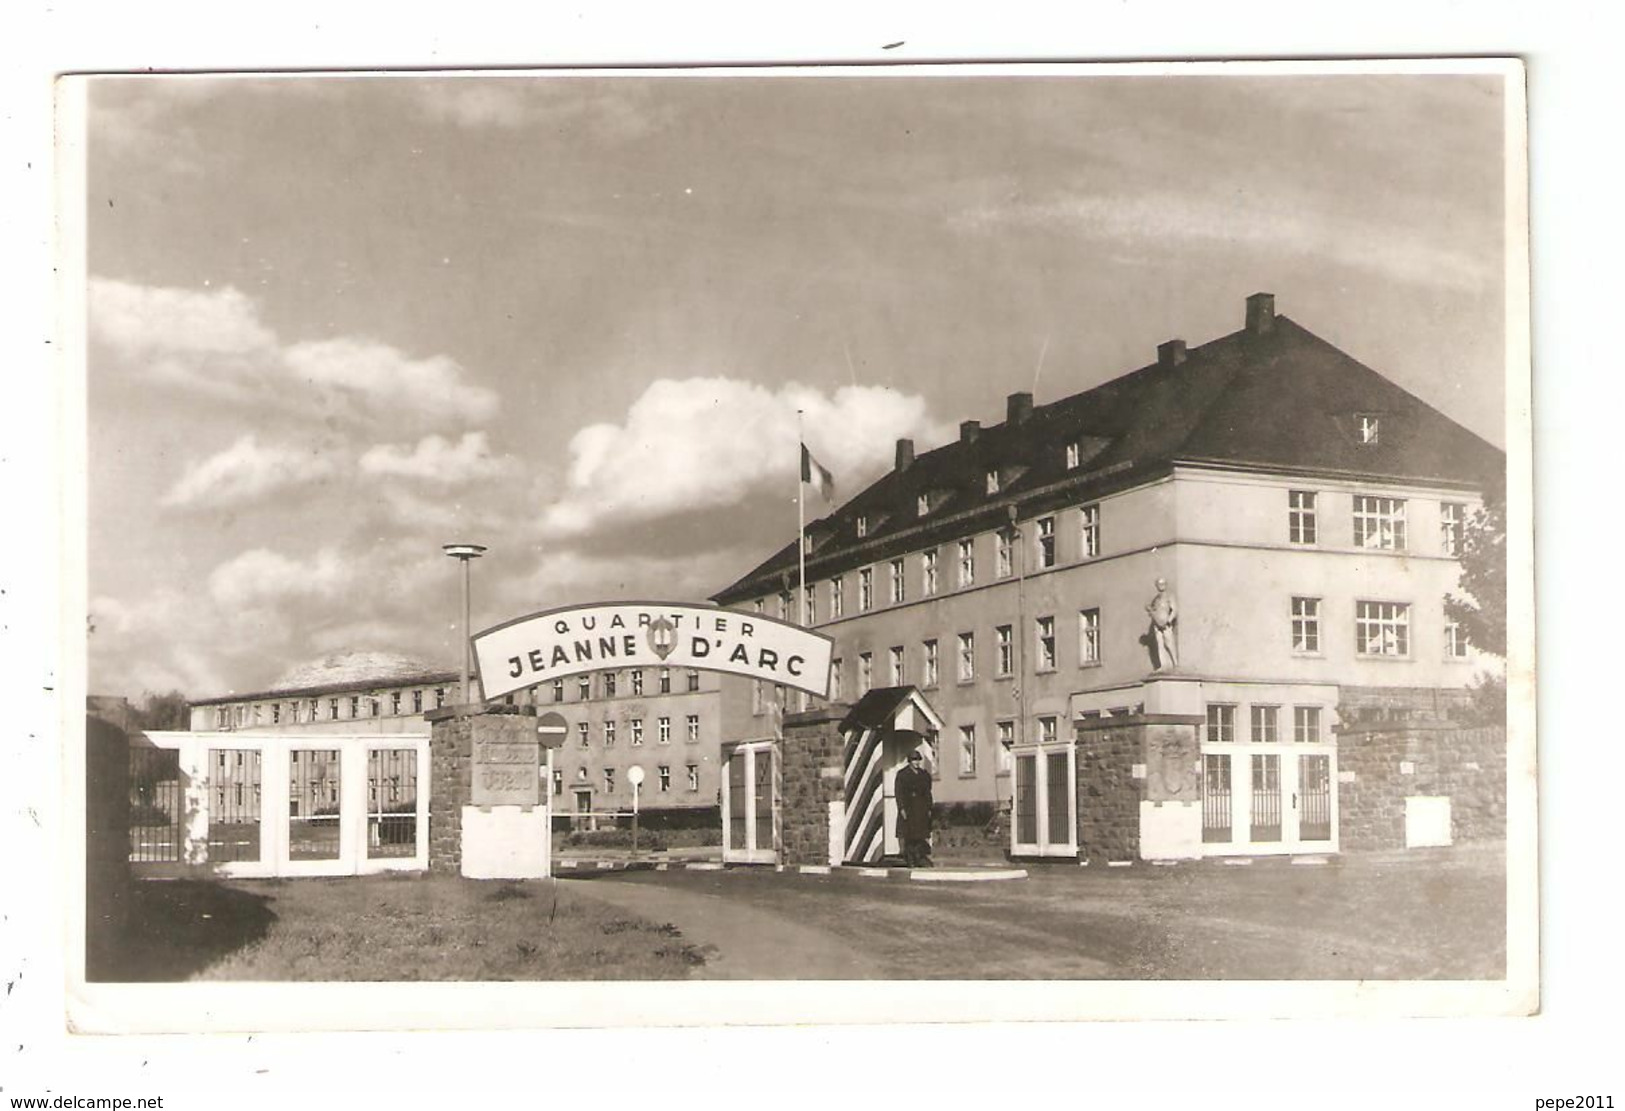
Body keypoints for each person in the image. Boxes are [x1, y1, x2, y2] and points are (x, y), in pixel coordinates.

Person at [894, 748, 934, 868]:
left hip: (921, 808)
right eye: (914, 760)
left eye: (918, 760)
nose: (916, 763)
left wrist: (929, 807)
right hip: (909, 807)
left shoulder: (924, 774)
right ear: (909, 761)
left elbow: (928, 791)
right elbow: (899, 792)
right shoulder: (902, 774)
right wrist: (902, 808)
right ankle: (910, 859)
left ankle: (919, 858)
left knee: (920, 835)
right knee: (909, 836)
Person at [1146, 577, 1178, 670]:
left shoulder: (1169, 596)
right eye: (1159, 584)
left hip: (1166, 624)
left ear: (1166, 585)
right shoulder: (1156, 599)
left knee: (1169, 643)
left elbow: (1174, 610)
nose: (1161, 586)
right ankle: (1163, 665)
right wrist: (1150, 610)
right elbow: (1154, 611)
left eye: (1163, 584)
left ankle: (1175, 663)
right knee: (1160, 644)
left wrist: (1169, 620)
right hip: (1157, 624)